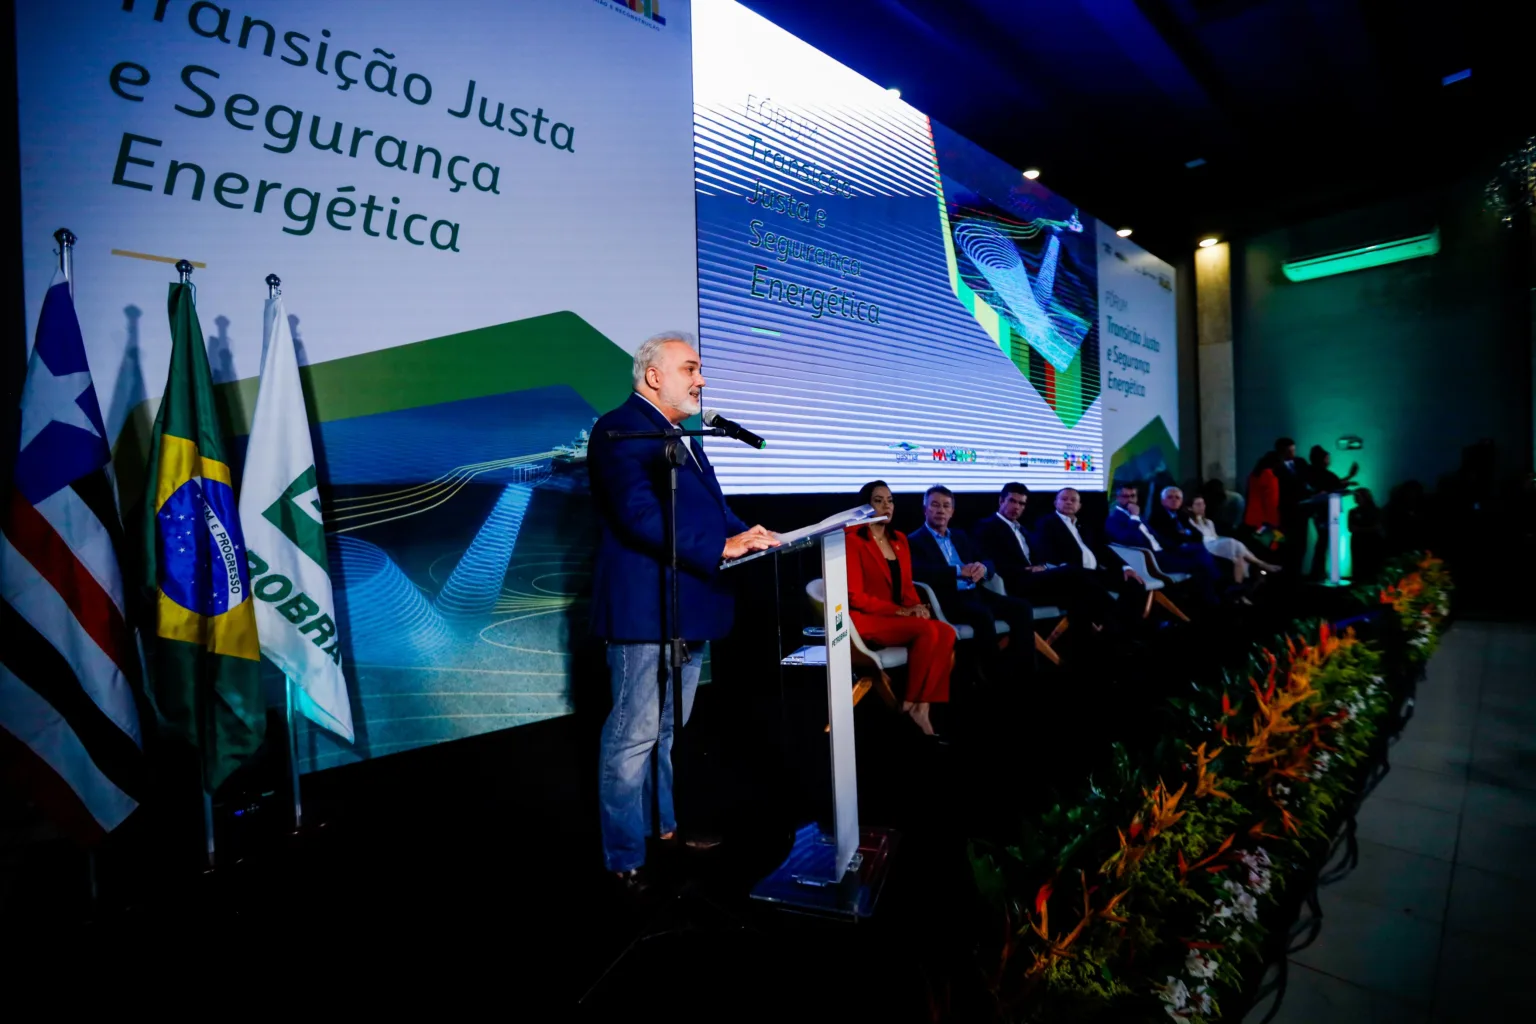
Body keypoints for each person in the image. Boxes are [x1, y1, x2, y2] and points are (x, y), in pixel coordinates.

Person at [588, 331, 778, 894]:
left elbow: (713, 508)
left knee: (668, 729)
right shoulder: (619, 428)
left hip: (688, 607)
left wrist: (747, 532)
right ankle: (624, 856)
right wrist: (720, 546)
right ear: (654, 377)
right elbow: (638, 513)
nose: (701, 379)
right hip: (643, 610)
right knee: (634, 732)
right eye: (691, 368)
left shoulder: (682, 436)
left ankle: (664, 828)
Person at [845, 481, 955, 736]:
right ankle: (910, 701)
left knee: (946, 632)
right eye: (878, 500)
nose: (887, 505)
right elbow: (855, 596)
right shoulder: (853, 541)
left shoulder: (900, 539)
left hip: (897, 617)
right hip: (866, 619)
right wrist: (901, 612)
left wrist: (917, 606)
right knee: (927, 632)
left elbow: (906, 586)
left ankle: (922, 706)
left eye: (890, 500)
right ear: (865, 506)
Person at [907, 485, 1035, 679]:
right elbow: (919, 573)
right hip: (946, 599)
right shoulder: (914, 540)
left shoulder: (960, 535)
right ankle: (992, 676)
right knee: (982, 615)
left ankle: (1025, 671)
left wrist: (982, 568)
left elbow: (988, 561)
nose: (941, 510)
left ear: (952, 512)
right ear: (925, 509)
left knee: (1022, 608)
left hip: (976, 592)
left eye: (946, 506)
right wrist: (959, 571)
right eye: (935, 505)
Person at [971, 481, 1123, 632]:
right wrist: (1027, 570)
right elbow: (990, 561)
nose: (1017, 507)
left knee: (1081, 596)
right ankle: (1120, 626)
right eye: (1012, 501)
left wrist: (1042, 566)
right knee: (1074, 572)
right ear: (1001, 501)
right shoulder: (987, 526)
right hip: (1015, 583)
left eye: (1022, 504)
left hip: (1038, 581)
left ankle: (1103, 639)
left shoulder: (1022, 529)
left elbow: (1039, 557)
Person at [1033, 488, 1148, 617]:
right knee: (1102, 598)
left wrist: (1125, 567)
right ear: (1055, 503)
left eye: (1073, 500)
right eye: (1064, 499)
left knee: (1135, 584)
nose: (1069, 503)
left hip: (1095, 572)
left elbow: (1102, 549)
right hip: (1075, 576)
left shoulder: (1084, 525)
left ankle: (1131, 628)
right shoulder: (1046, 523)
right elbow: (1045, 551)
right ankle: (1116, 631)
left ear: (1079, 505)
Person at [1107, 484, 1221, 605]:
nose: (1130, 499)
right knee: (1200, 564)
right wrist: (1134, 517)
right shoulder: (1113, 519)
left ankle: (1215, 589)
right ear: (1118, 498)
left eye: (1133, 496)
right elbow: (1129, 538)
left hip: (1165, 551)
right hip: (1154, 559)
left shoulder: (1139, 515)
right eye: (1125, 496)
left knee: (1199, 550)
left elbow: (1156, 537)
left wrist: (1177, 546)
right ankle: (1213, 600)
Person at [1186, 494, 1280, 583]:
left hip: (1215, 542)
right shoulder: (1189, 522)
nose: (1202, 506)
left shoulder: (1209, 522)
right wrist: (1197, 519)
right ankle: (1259, 565)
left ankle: (1242, 581)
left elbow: (1215, 537)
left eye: (1203, 504)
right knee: (1232, 543)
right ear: (1190, 507)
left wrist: (1225, 539)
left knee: (1237, 547)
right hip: (1206, 546)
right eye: (1198, 504)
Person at [1306, 446, 1359, 579]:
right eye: (1327, 458)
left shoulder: (1317, 474)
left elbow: (1334, 484)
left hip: (1325, 511)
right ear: (1322, 459)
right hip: (1323, 511)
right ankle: (1317, 571)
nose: (1329, 461)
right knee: (1323, 542)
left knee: (1323, 541)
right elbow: (1333, 485)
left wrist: (1349, 477)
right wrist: (1349, 477)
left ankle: (1318, 571)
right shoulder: (1318, 474)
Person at [1272, 437, 1312, 573]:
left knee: (1301, 546)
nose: (1292, 453)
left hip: (1302, 511)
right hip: (1285, 513)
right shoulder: (1274, 467)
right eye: (1289, 451)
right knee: (1285, 546)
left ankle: (1297, 576)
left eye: (1293, 450)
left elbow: (1309, 479)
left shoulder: (1300, 463)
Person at [1348, 487, 1387, 581]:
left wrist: (1361, 529)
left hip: (1372, 541)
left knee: (1372, 565)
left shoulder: (1376, 511)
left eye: (1358, 496)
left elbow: (1378, 527)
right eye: (1355, 496)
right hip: (1358, 541)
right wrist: (1369, 529)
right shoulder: (1353, 512)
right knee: (1359, 564)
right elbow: (1351, 528)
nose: (1355, 498)